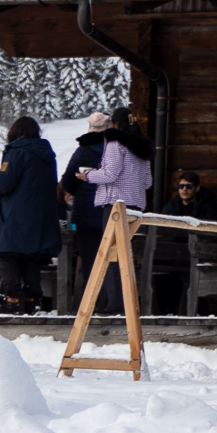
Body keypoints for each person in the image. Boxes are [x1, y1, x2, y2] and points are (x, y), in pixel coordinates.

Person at [0, 116, 64, 314]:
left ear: (14, 133)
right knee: (30, 256)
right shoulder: (46, 154)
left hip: (15, 213)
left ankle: (12, 299)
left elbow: (5, 183)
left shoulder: (16, 152)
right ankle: (32, 299)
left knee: (5, 253)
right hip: (39, 215)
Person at [82, 106, 154, 312]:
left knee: (112, 254)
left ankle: (115, 305)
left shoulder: (115, 144)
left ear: (115, 124)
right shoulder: (142, 148)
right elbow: (147, 182)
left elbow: (110, 174)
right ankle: (129, 304)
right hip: (136, 206)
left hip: (116, 205)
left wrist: (88, 176)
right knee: (125, 255)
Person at [59, 112, 110, 292]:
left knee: (90, 260)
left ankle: (92, 302)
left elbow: (67, 182)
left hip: (86, 213)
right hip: (111, 213)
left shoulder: (82, 152)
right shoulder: (118, 150)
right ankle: (111, 301)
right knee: (112, 259)